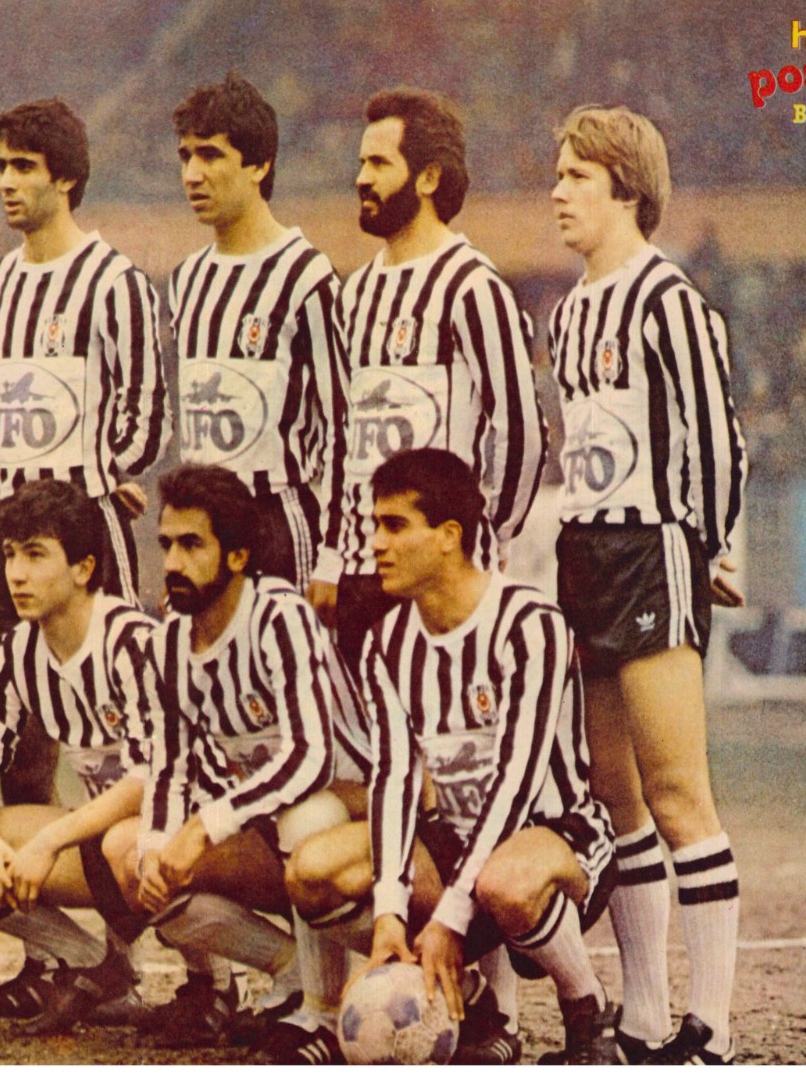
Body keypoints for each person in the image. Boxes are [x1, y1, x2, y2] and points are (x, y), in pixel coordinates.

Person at [284, 448, 620, 1064]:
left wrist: (450, 917)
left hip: (557, 836)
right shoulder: (387, 642)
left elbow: (518, 780)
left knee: (505, 881)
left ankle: (587, 1007)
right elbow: (392, 778)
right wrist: (390, 914)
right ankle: (474, 1002)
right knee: (312, 870)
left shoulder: (530, 624)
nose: (375, 544)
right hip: (454, 846)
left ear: (448, 536)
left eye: (394, 526)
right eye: (373, 525)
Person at [546, 104, 748, 1064]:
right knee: (614, 795)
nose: (557, 192)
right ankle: (642, 1016)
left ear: (627, 190)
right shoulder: (569, 312)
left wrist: (714, 543)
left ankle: (710, 1029)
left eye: (576, 176)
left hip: (651, 549)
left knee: (677, 794)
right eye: (557, 174)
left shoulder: (668, 300)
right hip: (582, 554)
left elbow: (719, 437)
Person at [98, 464, 363, 1063]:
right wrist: (159, 844)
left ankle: (323, 1016)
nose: (172, 562)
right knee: (133, 857)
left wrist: (204, 826)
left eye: (193, 545)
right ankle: (293, 974)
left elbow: (312, 757)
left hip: (364, 830)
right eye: (166, 544)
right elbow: (169, 767)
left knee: (307, 812)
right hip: (274, 832)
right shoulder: (169, 641)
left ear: (238, 556)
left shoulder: (280, 616)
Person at [0, 479, 158, 1035]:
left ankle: (236, 981)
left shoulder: (134, 642)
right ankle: (94, 965)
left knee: (134, 850)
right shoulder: (19, 652)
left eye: (35, 555)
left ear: (83, 568)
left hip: (185, 831)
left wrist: (51, 840)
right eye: (10, 555)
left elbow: (153, 780)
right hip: (109, 841)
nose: (16, 574)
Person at [333, 87, 546, 671]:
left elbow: (522, 431)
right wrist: (334, 558)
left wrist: (487, 535)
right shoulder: (355, 292)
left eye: (380, 163)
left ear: (428, 178)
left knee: (442, 727)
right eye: (361, 162)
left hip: (439, 574)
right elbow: (341, 439)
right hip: (358, 574)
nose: (362, 178)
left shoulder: (472, 287)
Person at [0, 98, 166, 680]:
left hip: (83, 526)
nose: (7, 182)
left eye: (24, 167)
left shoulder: (113, 281)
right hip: (6, 526)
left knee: (111, 690)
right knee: (9, 700)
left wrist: (106, 477)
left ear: (64, 178)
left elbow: (147, 412)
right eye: (2, 167)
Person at [166, 72, 348, 614]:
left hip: (274, 522)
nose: (193, 174)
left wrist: (333, 554)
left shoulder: (305, 276)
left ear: (259, 166)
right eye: (186, 156)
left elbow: (343, 426)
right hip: (199, 530)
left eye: (211, 155)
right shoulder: (187, 279)